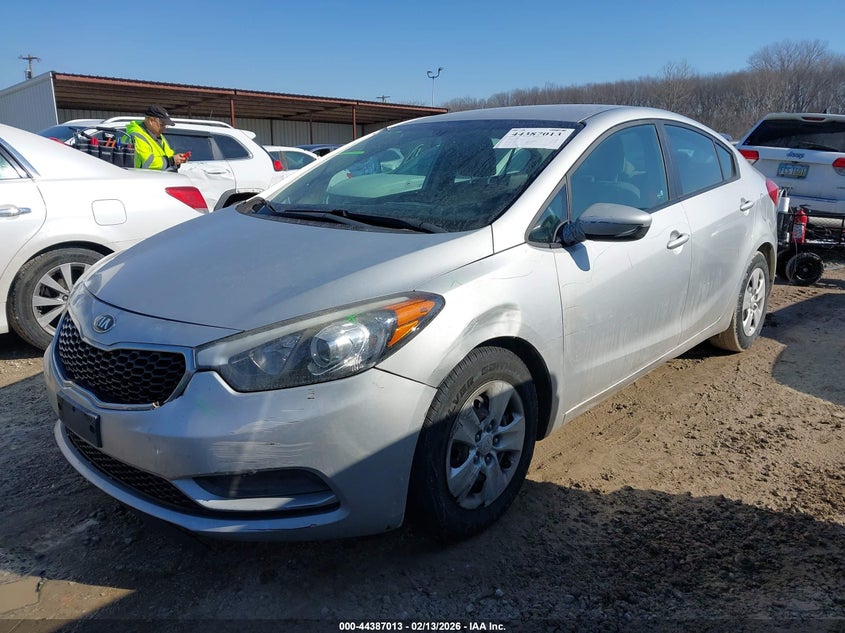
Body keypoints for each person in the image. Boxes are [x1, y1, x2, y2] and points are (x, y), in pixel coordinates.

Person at [125, 105, 189, 170]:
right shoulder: (137, 136)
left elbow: (169, 156)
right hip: (142, 178)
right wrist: (172, 161)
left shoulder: (158, 136)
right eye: (162, 124)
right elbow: (148, 163)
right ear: (151, 120)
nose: (164, 128)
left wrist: (178, 160)